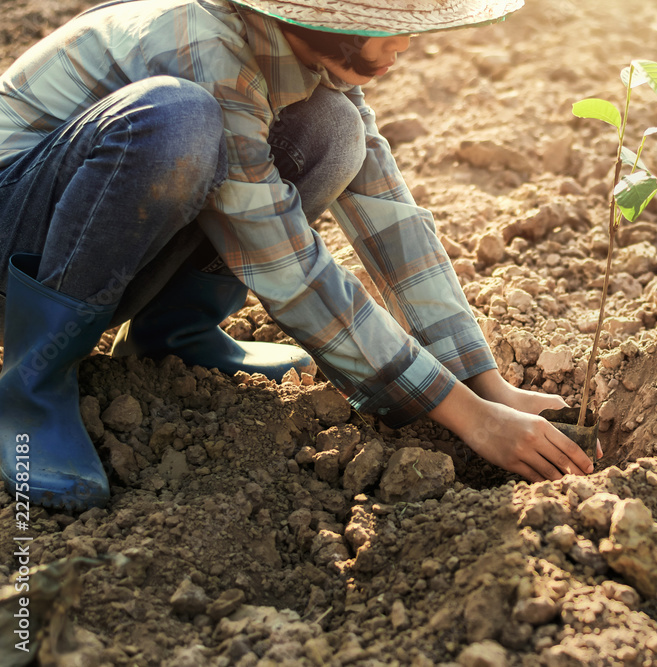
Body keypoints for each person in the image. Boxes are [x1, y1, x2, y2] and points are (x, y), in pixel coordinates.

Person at [0, 0, 601, 511]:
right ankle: (34, 382)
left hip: (90, 231)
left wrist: (484, 382)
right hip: (18, 237)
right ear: (328, 20)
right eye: (394, 20)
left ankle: (171, 336)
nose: (409, 43)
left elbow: (389, 215)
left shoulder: (302, 55)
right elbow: (284, 263)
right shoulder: (207, 48)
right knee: (177, 121)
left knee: (335, 131)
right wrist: (471, 420)